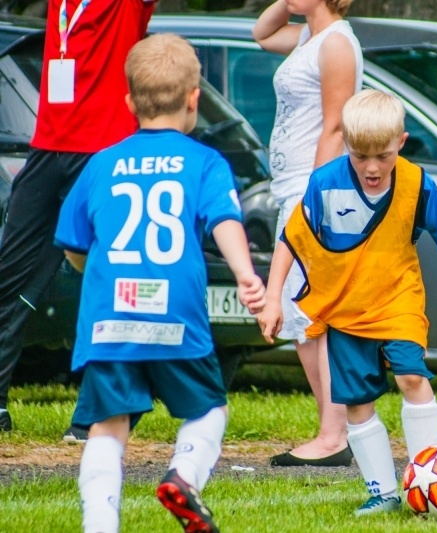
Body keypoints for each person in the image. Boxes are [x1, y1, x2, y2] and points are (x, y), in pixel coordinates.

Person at [257, 89, 437, 515]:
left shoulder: (416, 183)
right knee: (358, 402)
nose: (372, 167)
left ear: (401, 140)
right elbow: (289, 242)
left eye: (382, 155)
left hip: (398, 301)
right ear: (347, 147)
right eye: (360, 156)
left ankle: (432, 479)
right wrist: (273, 300)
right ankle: (384, 492)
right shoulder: (324, 184)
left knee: (412, 379)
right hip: (343, 309)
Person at [53, 33, 266, 533]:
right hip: (175, 316)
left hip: (110, 319)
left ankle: (100, 524)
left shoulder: (100, 163)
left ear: (129, 102)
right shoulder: (205, 162)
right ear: (195, 99)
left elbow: (73, 246)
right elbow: (225, 222)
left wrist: (99, 276)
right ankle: (184, 476)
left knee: (107, 427)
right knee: (209, 408)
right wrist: (245, 275)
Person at [0, 0, 156, 439]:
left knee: (114, 284)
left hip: (104, 150)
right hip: (48, 145)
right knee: (9, 276)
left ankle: (98, 414)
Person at [252, 0, 363, 467]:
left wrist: (315, 197)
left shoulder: (336, 43)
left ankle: (334, 435)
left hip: (309, 188)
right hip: (290, 186)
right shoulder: (307, 37)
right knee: (301, 314)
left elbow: (335, 128)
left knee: (310, 309)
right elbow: (261, 33)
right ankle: (331, 429)